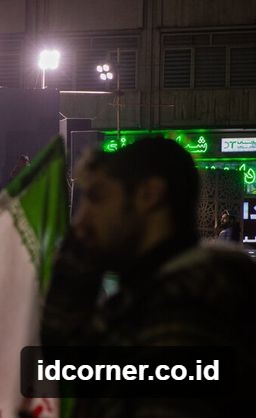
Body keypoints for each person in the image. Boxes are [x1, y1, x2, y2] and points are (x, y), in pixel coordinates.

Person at [42, 137, 256, 417]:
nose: (82, 220)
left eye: (97, 198)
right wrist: (76, 263)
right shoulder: (147, 296)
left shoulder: (185, 309)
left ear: (149, 195)